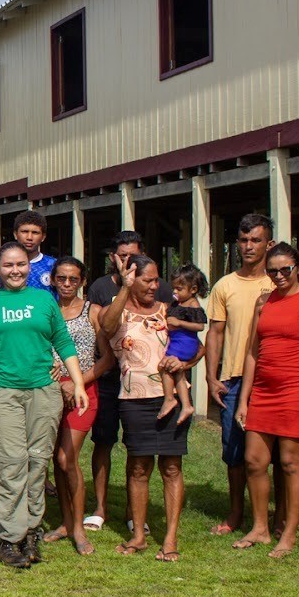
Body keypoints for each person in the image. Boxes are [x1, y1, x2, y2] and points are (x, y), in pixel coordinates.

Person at [0, 242, 87, 569]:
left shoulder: (44, 300)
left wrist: (78, 383)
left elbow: (63, 341)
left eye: (21, 264)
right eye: (9, 265)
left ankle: (30, 532)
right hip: (3, 393)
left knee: (37, 463)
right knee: (9, 462)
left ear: (30, 267)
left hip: (44, 393)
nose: (16, 270)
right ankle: (9, 538)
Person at [235, 243, 299, 559]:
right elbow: (253, 352)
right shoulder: (263, 301)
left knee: (290, 462)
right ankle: (260, 528)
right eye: (273, 271)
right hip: (264, 393)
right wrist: (244, 398)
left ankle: (289, 534)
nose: (279, 275)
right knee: (254, 461)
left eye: (285, 269)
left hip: (298, 391)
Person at [100, 255, 191, 562]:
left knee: (171, 467)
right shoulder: (119, 312)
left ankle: (170, 537)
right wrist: (124, 289)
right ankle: (138, 535)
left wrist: (185, 361)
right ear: (131, 280)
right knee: (139, 468)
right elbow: (107, 326)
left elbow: (197, 345)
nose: (155, 286)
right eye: (147, 280)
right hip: (133, 399)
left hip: (171, 398)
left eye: (156, 280)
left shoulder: (169, 311)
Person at [84, 230, 173, 533]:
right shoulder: (99, 288)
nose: (128, 263)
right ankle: (100, 506)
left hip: (145, 384)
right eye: (122, 257)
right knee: (104, 442)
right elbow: (104, 328)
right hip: (109, 377)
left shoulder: (157, 289)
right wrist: (125, 286)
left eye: (133, 257)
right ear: (114, 258)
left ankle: (135, 514)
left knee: (138, 451)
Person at [204, 214, 274, 537]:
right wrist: (211, 377)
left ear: (268, 244)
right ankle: (236, 513)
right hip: (232, 379)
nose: (248, 246)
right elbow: (215, 333)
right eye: (243, 240)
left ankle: (278, 515)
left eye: (255, 240)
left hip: (270, 380)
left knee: (272, 454)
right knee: (234, 452)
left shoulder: (277, 284)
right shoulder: (224, 285)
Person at [46, 257, 112, 555]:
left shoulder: (93, 312)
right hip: (49, 392)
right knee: (56, 463)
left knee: (66, 458)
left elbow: (107, 358)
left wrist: (77, 382)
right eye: (62, 278)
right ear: (53, 280)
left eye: (73, 279)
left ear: (83, 280)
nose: (67, 284)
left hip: (84, 393)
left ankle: (78, 529)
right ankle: (65, 521)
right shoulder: (46, 310)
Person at [160, 264, 209, 423]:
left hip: (185, 343)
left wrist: (179, 323)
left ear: (193, 289)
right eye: (173, 288)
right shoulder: (179, 303)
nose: (175, 292)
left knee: (165, 365)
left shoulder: (193, 304)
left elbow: (200, 326)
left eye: (179, 289)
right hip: (178, 341)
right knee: (178, 371)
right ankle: (186, 405)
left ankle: (169, 398)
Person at [6, 211, 56, 295]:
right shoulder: (4, 264)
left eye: (35, 233)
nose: (29, 237)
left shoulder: (54, 265)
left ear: (43, 237)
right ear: (15, 234)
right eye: (25, 232)